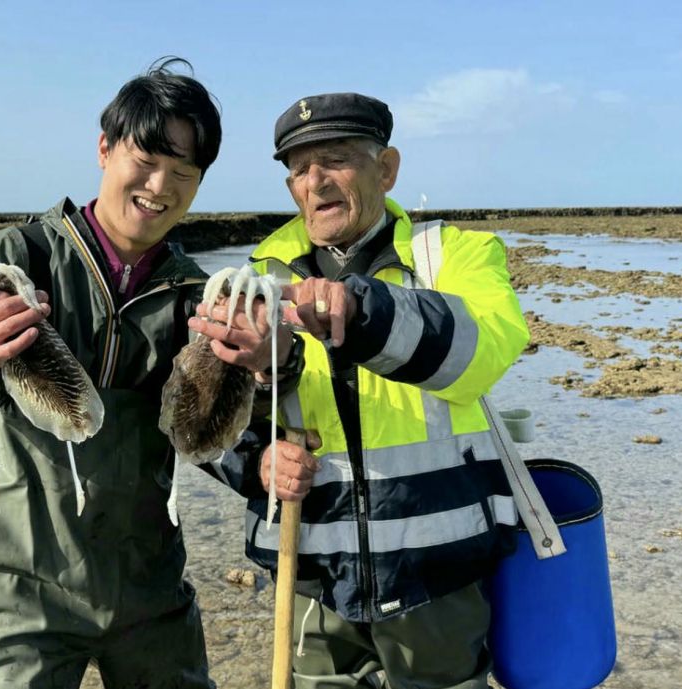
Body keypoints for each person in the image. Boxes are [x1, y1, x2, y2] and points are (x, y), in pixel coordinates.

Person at [0, 57, 221, 688]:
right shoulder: (12, 257)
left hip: (147, 584)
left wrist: (263, 369)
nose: (159, 184)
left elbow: (217, 434)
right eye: (145, 160)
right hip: (14, 589)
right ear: (104, 148)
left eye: (183, 172)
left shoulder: (196, 295)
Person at [189, 92, 530, 689]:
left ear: (387, 168)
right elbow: (198, 421)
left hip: (438, 578)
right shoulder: (254, 278)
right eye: (298, 169)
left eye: (336, 160)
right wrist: (256, 461)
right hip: (310, 578)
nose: (314, 181)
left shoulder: (456, 255)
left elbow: (483, 352)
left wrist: (364, 312)